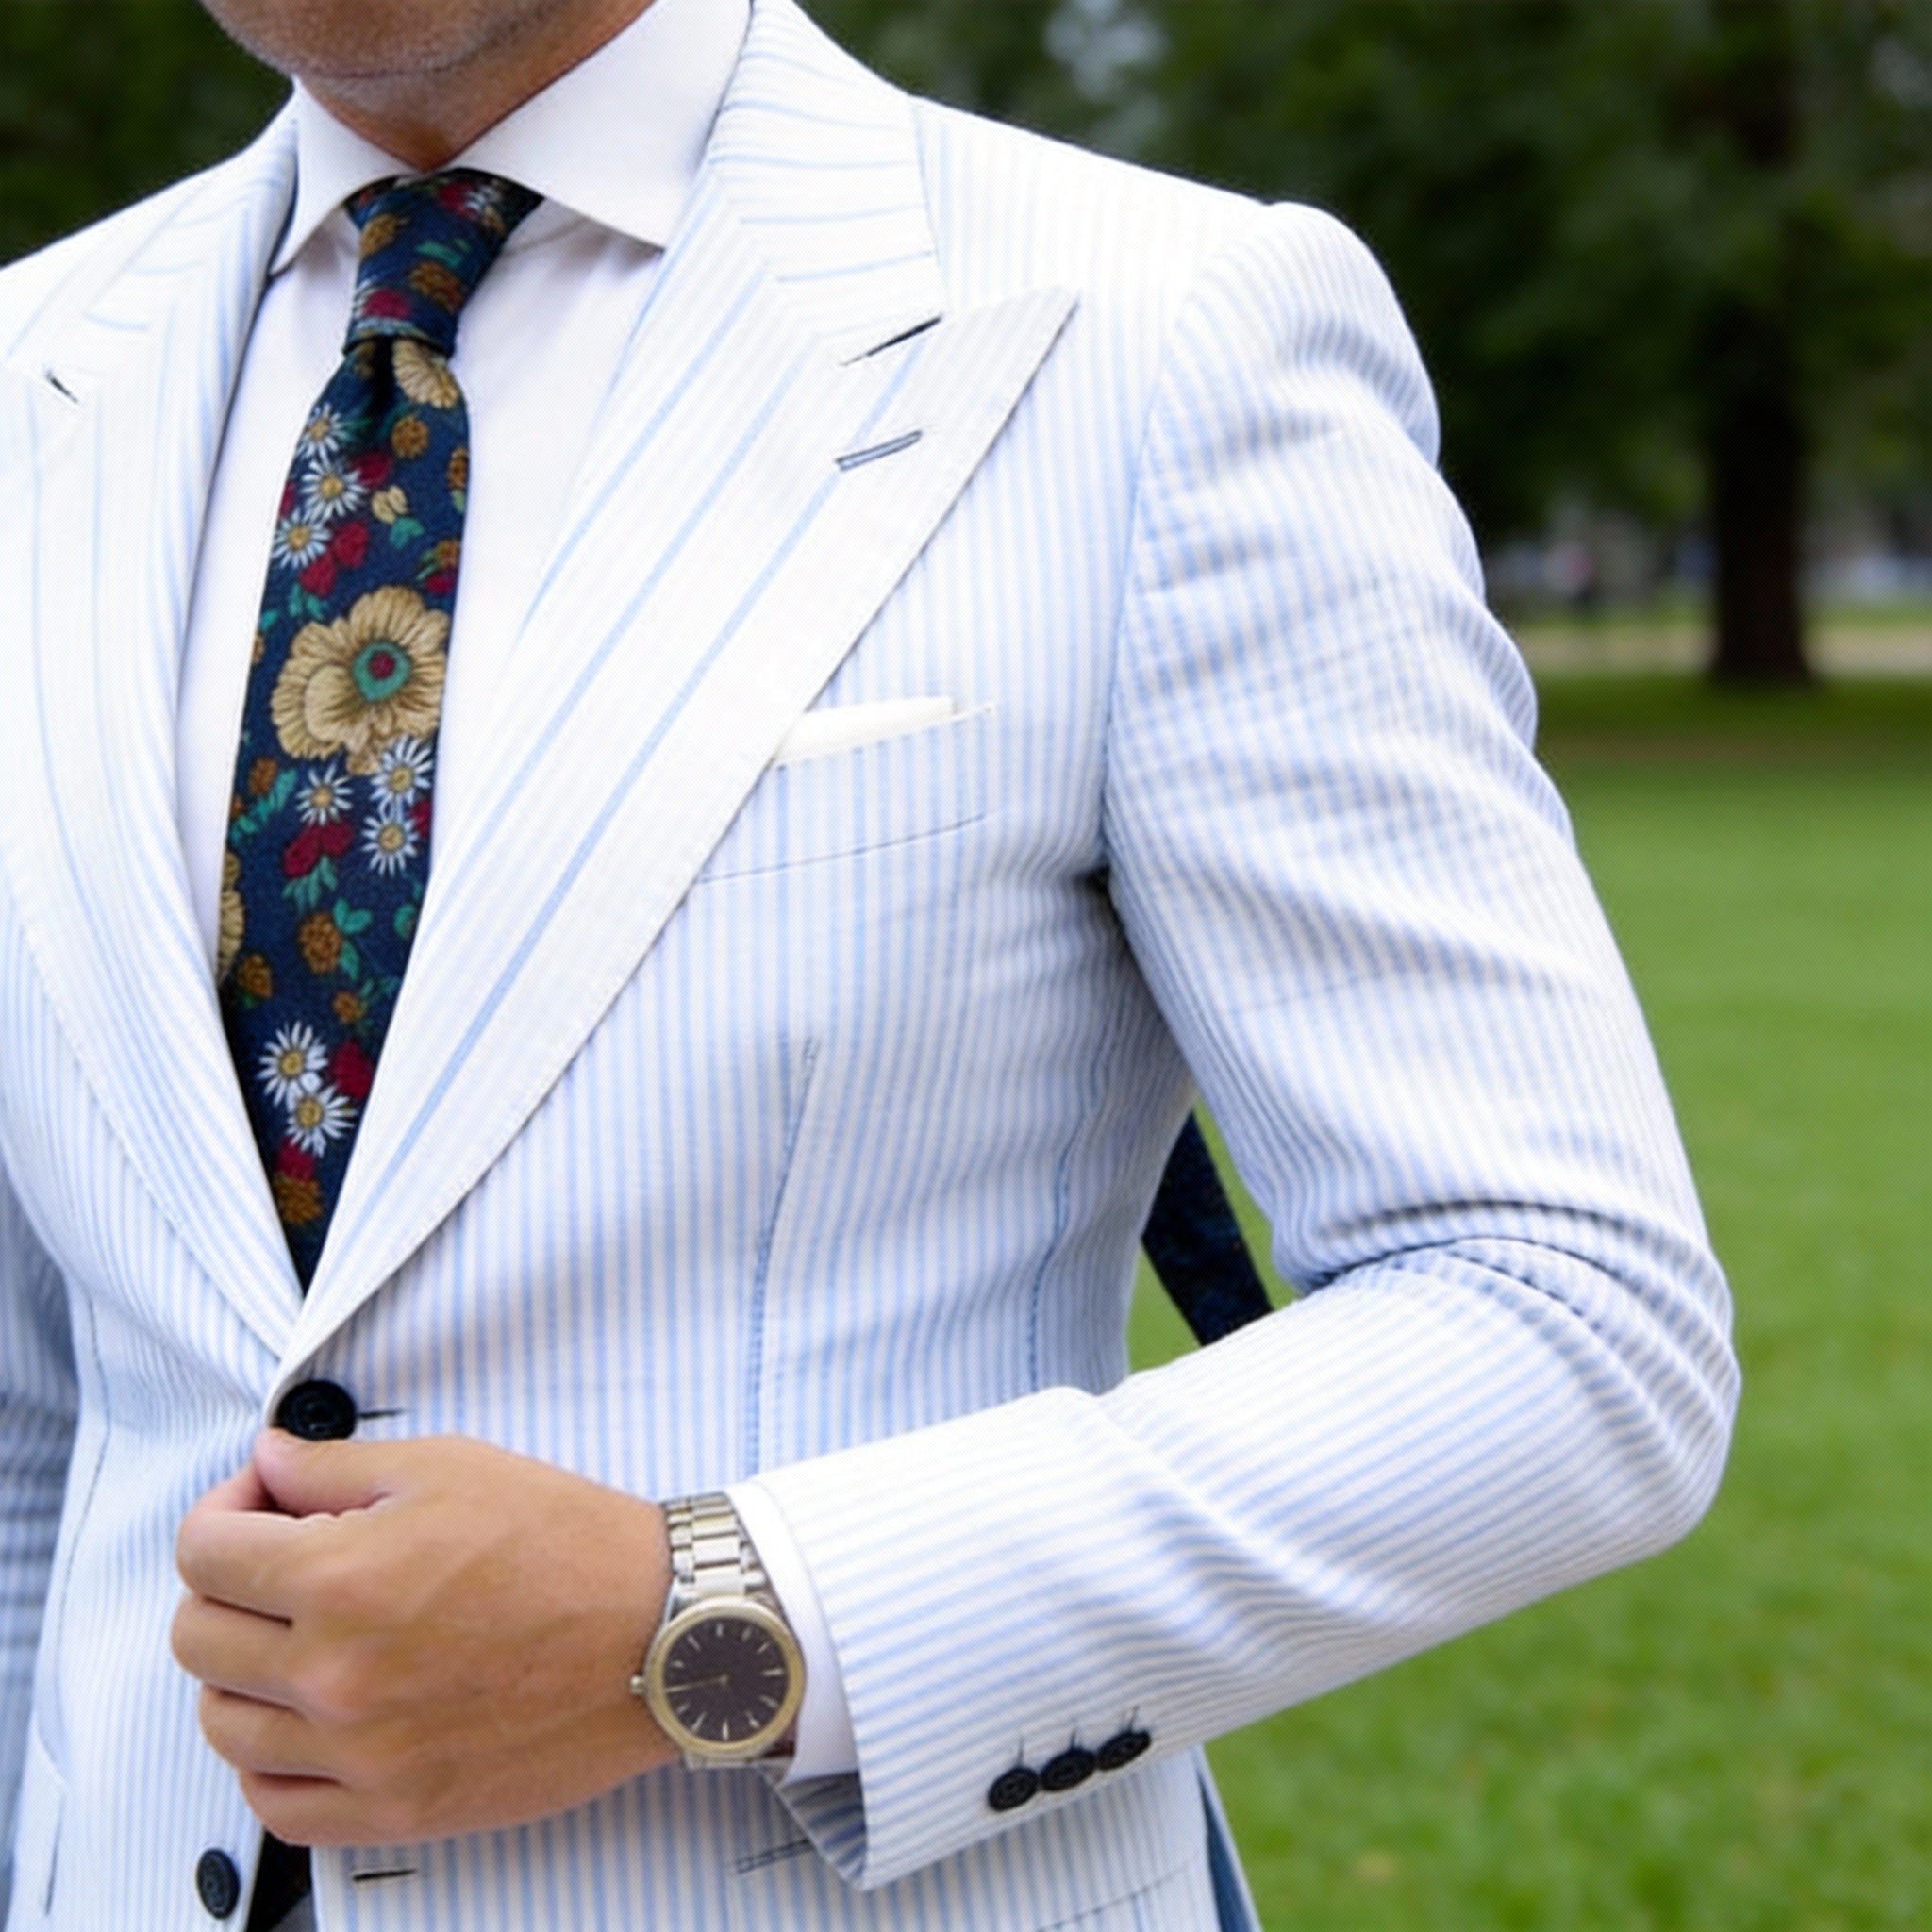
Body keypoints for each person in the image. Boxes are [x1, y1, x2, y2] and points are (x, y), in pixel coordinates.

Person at [0, 0, 1739, 1925]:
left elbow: (1567, 1321)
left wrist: (713, 1619)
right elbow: (37, 1400)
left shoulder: (1158, 327)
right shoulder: (34, 372)